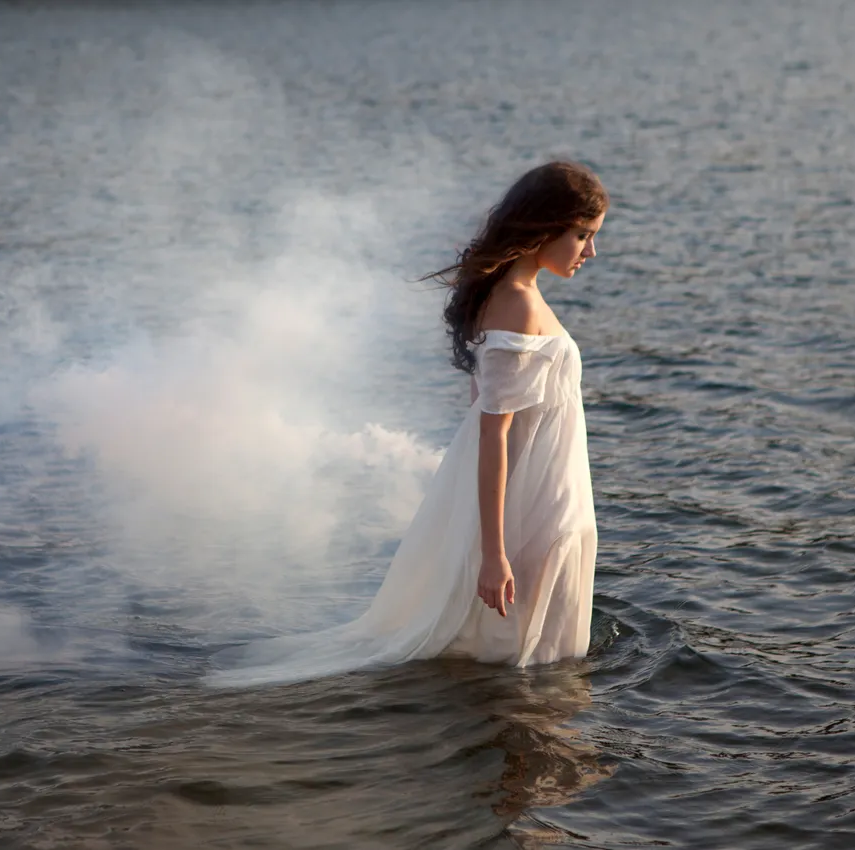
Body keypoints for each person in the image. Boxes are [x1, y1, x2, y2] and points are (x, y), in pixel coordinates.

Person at [210, 161, 607, 686]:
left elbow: (482, 401)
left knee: (530, 657)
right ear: (544, 226)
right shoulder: (518, 304)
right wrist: (494, 554)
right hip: (538, 501)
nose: (590, 251)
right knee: (539, 668)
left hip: (544, 491)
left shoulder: (511, 296)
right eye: (582, 234)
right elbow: (493, 429)